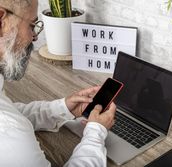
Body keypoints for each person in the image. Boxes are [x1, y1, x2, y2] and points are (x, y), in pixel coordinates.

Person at [0, 0, 116, 166]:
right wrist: (96, 132)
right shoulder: (8, 129)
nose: (35, 37)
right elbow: (10, 123)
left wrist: (62, 108)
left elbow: (13, 113)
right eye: (31, 25)